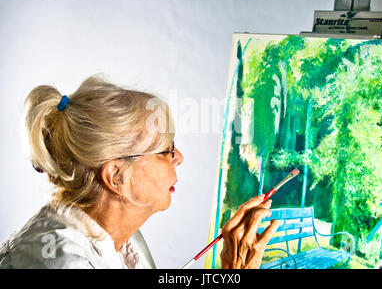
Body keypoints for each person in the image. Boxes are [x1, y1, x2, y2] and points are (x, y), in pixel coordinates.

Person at [0, 75, 278, 269]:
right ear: (116, 176)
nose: (178, 158)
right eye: (165, 150)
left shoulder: (122, 239)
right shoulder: (59, 262)